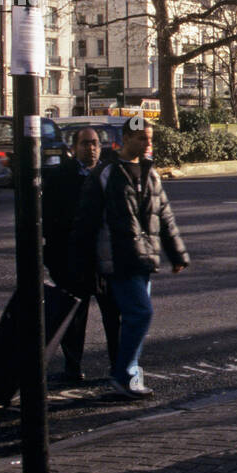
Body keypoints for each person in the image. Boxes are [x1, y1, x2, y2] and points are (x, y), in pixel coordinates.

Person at [70, 119, 188, 399]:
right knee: (140, 313)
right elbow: (86, 220)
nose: (147, 144)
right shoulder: (106, 173)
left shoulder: (152, 174)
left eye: (149, 139)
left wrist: (177, 253)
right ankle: (124, 374)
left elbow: (165, 217)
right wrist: (79, 264)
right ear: (124, 139)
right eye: (140, 139)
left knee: (133, 317)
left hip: (145, 258)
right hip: (118, 258)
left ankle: (128, 372)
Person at [44, 127, 120, 382]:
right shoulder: (59, 177)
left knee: (114, 316)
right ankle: (72, 367)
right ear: (74, 147)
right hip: (73, 259)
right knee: (74, 318)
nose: (92, 148)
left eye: (96, 143)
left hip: (105, 257)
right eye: (86, 143)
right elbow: (50, 221)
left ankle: (118, 366)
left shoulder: (109, 173)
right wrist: (53, 258)